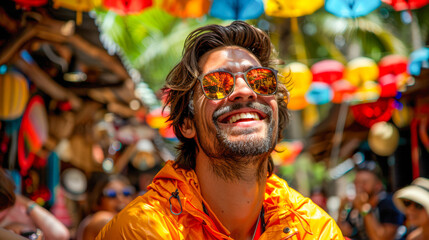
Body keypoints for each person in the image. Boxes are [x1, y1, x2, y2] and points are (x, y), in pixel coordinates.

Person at [97, 21, 344, 240]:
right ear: (187, 123)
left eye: (260, 80)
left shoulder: (313, 229)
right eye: (217, 84)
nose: (245, 90)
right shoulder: (143, 230)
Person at [337, 160, 405, 240]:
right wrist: (341, 209)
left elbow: (380, 238)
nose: (359, 187)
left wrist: (365, 209)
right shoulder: (357, 204)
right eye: (356, 183)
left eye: (364, 183)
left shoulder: (388, 203)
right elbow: (344, 232)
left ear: (378, 185)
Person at [76, 173, 135, 240]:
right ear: (98, 202)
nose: (120, 199)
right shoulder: (101, 219)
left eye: (126, 193)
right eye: (111, 194)